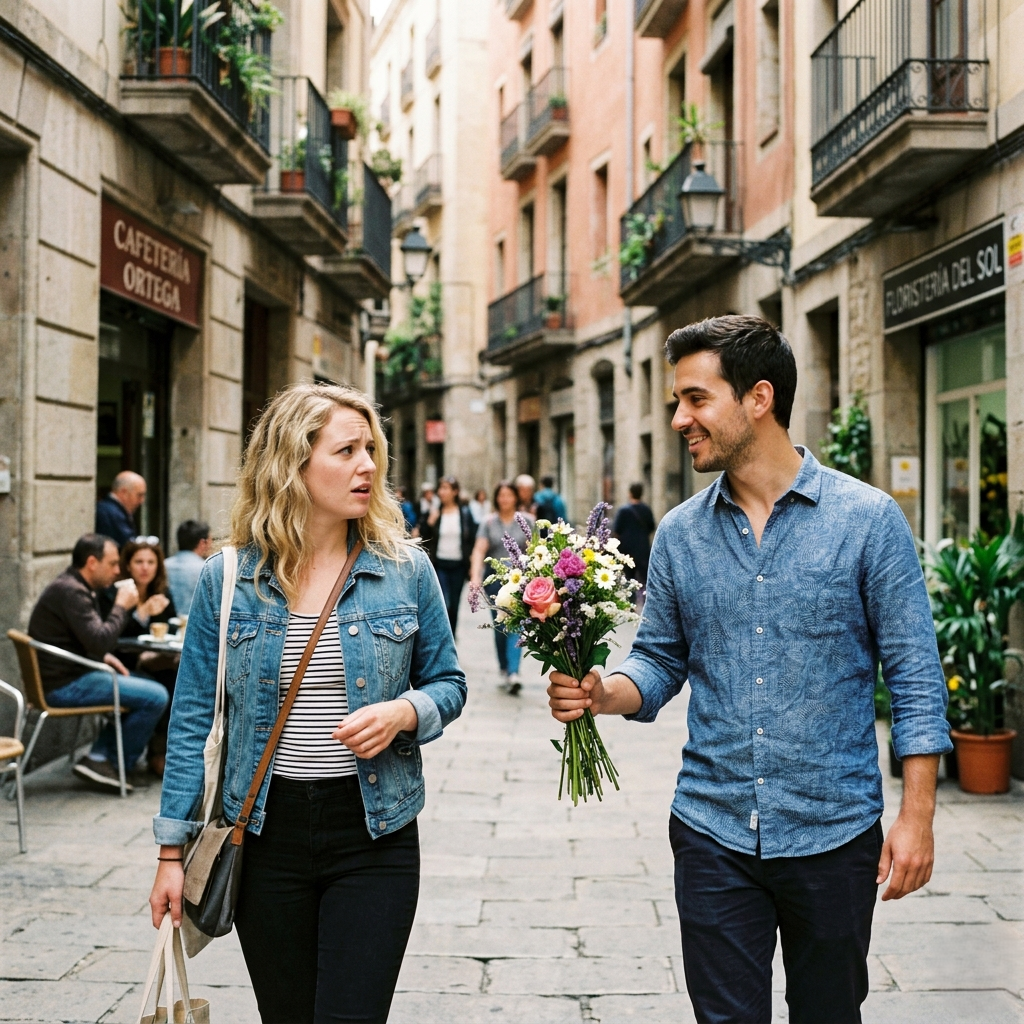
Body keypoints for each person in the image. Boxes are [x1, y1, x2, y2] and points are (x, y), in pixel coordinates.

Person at [547, 315, 952, 1024]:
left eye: (696, 399)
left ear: (758, 398)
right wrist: (603, 692)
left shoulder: (868, 520)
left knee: (829, 1013)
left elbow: (915, 676)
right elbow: (660, 659)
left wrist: (917, 818)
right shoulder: (679, 534)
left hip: (834, 830)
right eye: (679, 401)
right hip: (712, 829)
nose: (680, 418)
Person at [150, 382, 467, 1024]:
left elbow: (449, 683)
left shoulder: (404, 568)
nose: (368, 466)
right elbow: (191, 722)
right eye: (346, 450)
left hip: (374, 831)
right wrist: (169, 854)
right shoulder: (228, 578)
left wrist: (405, 713)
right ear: (293, 463)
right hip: (263, 834)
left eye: (370, 449)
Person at [27, 533, 169, 792]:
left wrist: (102, 656)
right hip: (65, 685)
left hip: (73, 673)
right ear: (92, 562)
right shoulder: (73, 591)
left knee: (148, 683)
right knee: (156, 696)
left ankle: (99, 757)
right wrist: (121, 607)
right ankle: (114, 765)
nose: (117, 570)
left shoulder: (73, 587)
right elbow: (100, 640)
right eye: (113, 564)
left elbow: (84, 642)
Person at [101, 539, 179, 777]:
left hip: (152, 661)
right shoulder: (115, 594)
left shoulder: (161, 593)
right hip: (120, 664)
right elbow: (112, 638)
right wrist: (141, 613)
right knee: (165, 681)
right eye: (138, 562)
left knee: (176, 675)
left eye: (151, 562)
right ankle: (152, 753)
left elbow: (172, 631)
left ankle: (161, 750)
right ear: (128, 565)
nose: (145, 567)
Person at [469, 481, 534, 695]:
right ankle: (505, 667)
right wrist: (475, 577)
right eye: (501, 495)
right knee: (500, 626)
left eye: (509, 495)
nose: (505, 499)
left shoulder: (527, 521)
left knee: (516, 624)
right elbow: (479, 550)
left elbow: (536, 551)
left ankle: (514, 671)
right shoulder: (489, 522)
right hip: (495, 582)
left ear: (516, 497)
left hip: (520, 581)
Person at [418, 476, 477, 638]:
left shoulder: (464, 513)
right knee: (444, 601)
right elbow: (423, 536)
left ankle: (451, 634)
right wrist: (429, 522)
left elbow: (471, 538)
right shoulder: (435, 512)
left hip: (458, 565)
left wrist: (473, 563)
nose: (442, 492)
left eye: (446, 488)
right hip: (440, 564)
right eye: (441, 488)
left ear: (455, 491)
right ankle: (442, 634)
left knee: (455, 603)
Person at [612, 483, 656, 601]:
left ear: (630, 493)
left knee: (628, 578)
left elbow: (616, 530)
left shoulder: (623, 511)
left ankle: (631, 604)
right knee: (645, 578)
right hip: (642, 548)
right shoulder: (646, 510)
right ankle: (648, 602)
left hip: (626, 550)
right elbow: (651, 527)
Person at [164, 520, 211, 615]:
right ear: (202, 543)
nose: (212, 544)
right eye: (211, 540)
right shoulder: (207, 568)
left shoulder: (162, 565)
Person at [95, 471, 147, 547]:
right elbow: (128, 545)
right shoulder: (111, 514)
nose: (142, 501)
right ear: (123, 493)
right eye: (139, 495)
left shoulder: (107, 510)